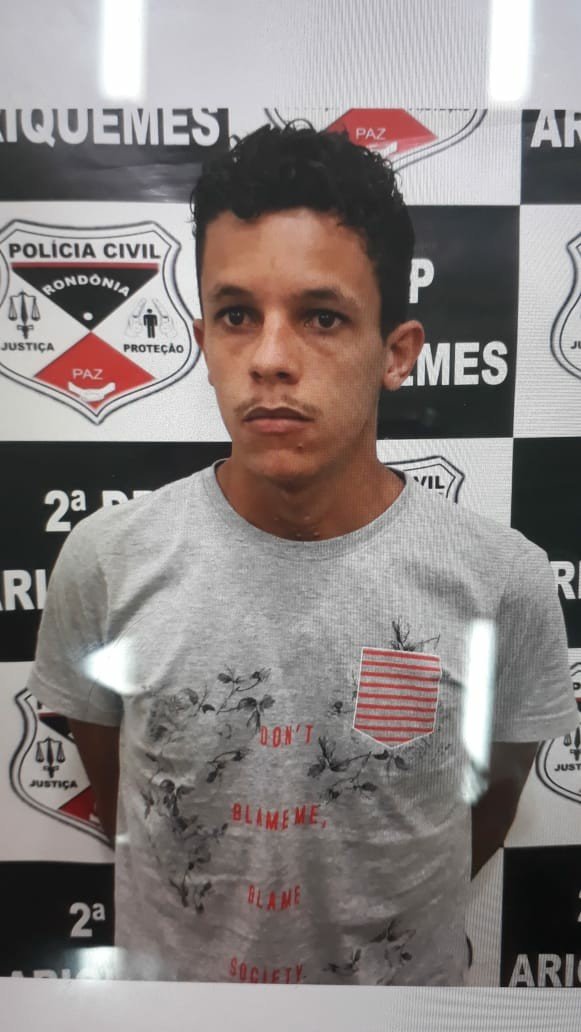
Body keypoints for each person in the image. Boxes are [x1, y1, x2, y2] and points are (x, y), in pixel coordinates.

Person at [27, 122, 577, 986]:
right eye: (236, 316)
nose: (270, 359)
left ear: (396, 352)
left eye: (322, 317)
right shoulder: (106, 560)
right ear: (202, 339)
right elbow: (123, 797)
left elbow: (486, 806)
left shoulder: (500, 578)